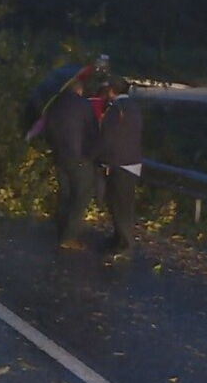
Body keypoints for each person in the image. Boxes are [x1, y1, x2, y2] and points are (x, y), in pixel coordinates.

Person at [45, 78, 99, 249]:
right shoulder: (83, 105)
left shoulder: (54, 104)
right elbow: (93, 131)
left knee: (65, 194)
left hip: (60, 155)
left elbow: (48, 129)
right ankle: (69, 237)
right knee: (82, 196)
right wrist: (91, 155)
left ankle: (61, 229)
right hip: (78, 157)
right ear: (79, 90)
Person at [93, 77, 143, 256]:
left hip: (119, 163)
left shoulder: (116, 110)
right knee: (124, 204)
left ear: (112, 91)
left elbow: (107, 137)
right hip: (132, 161)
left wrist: (99, 158)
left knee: (119, 205)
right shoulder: (134, 107)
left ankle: (125, 243)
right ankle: (119, 239)